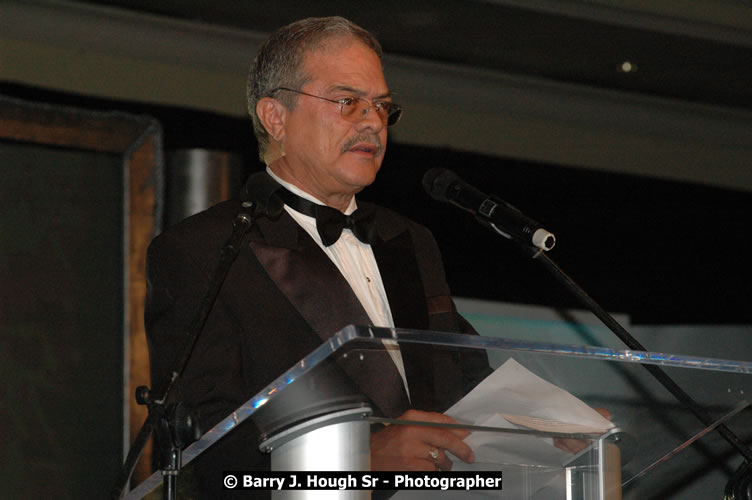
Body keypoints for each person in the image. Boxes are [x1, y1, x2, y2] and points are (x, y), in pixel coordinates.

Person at [145, 16, 491, 497]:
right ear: (275, 117)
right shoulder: (205, 250)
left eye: (381, 106)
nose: (372, 121)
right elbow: (209, 451)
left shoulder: (410, 239)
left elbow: (466, 378)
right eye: (348, 102)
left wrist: (543, 424)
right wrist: (359, 464)